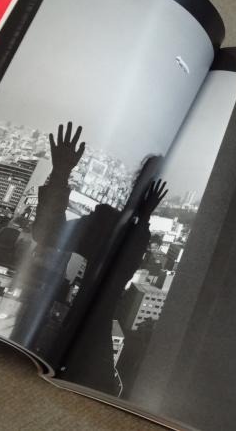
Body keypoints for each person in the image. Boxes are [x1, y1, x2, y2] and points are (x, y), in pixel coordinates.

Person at [31, 122, 167, 393]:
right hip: (93, 345)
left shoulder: (108, 223)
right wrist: (142, 223)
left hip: (75, 336)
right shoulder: (125, 231)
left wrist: (60, 172)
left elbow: (47, 232)